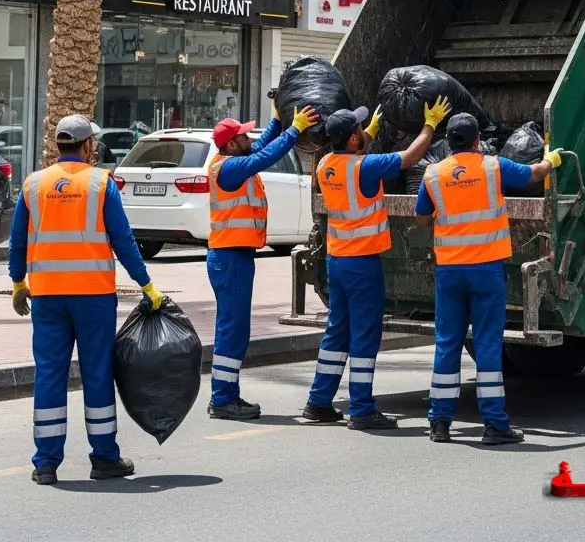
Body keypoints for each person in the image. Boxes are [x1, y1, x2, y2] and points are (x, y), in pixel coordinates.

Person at [8, 115, 165, 485]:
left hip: (47, 297)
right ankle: (104, 458)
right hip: (93, 296)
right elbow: (123, 240)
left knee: (49, 374)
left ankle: (45, 463)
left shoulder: (33, 185)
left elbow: (18, 241)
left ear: (58, 144)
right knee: (96, 374)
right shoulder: (100, 183)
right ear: (88, 146)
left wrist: (18, 283)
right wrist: (147, 285)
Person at [303, 96, 451, 430]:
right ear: (353, 139)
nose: (362, 132)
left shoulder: (326, 163)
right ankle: (362, 408)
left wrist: (367, 133)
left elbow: (351, 152)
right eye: (359, 129)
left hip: (337, 260)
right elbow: (410, 157)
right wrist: (430, 124)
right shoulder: (365, 168)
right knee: (365, 335)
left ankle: (318, 401)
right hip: (361, 262)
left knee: (336, 331)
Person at [416, 113, 563, 445]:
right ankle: (495, 424)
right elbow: (533, 174)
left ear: (448, 142)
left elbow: (423, 218)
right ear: (478, 139)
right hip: (485, 270)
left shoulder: (433, 174)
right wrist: (551, 157)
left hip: (450, 272)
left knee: (447, 343)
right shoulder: (493, 167)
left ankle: (439, 422)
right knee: (487, 345)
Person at [207, 106, 318, 420]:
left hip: (235, 255)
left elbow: (261, 145)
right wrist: (294, 130)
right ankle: (223, 399)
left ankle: (225, 394)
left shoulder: (232, 159)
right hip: (231, 258)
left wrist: (278, 119)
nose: (248, 138)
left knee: (232, 328)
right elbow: (264, 157)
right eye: (242, 135)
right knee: (232, 330)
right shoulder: (229, 169)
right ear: (231, 145)